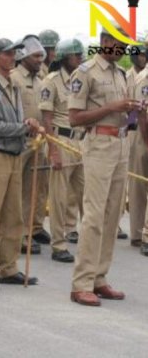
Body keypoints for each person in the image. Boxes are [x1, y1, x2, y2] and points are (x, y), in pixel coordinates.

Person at [69, 27, 137, 306]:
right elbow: (75, 118)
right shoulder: (85, 73)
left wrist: (133, 109)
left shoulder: (120, 74)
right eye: (119, 44)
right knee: (94, 215)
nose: (123, 50)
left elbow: (122, 111)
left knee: (112, 215)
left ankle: (99, 277)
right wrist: (112, 107)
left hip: (120, 144)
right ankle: (81, 282)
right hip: (98, 144)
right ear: (106, 42)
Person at [0, 38, 42, 291]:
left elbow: (17, 120)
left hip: (13, 155)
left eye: (14, 54)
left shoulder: (13, 85)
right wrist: (24, 127)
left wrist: (28, 126)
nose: (12, 58)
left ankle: (8, 267)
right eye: (8, 53)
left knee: (14, 215)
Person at [39, 38, 86, 263]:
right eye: (76, 56)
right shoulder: (51, 81)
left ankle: (84, 239)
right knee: (58, 197)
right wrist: (53, 150)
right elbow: (46, 119)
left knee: (86, 194)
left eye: (81, 55)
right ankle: (58, 244)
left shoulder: (82, 78)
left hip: (82, 141)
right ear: (65, 58)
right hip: (60, 139)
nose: (80, 59)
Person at [11, 35, 50, 253]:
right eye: (36, 56)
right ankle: (17, 234)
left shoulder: (39, 80)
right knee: (16, 191)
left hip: (38, 142)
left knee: (33, 190)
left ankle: (29, 230)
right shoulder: (14, 78)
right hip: (19, 143)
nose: (40, 60)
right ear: (23, 57)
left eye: (41, 56)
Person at [127, 44, 148, 248]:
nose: (141, 58)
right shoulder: (132, 77)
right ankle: (136, 232)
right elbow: (136, 110)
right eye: (138, 55)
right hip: (137, 131)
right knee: (137, 185)